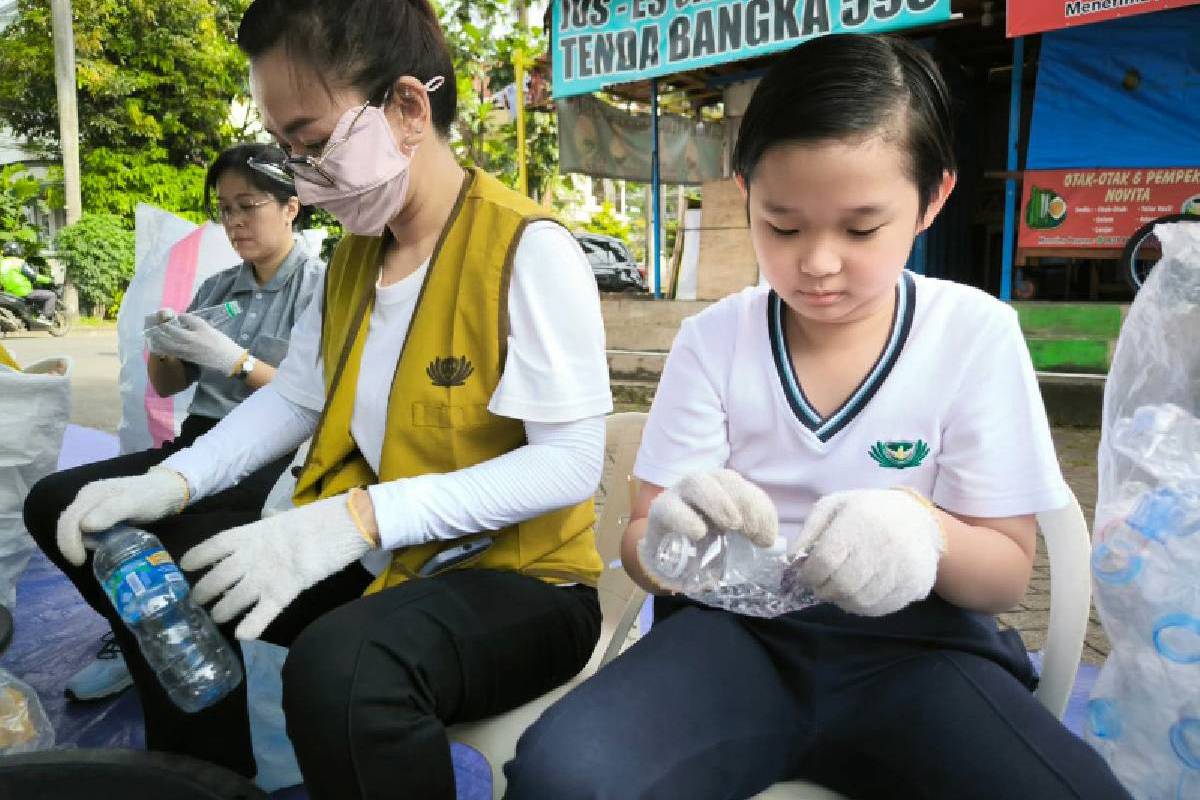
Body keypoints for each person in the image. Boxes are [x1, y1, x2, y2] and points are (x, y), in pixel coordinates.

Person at [504, 35, 1132, 800]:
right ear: (747, 194)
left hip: (920, 650)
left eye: (861, 229)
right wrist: (671, 542)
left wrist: (922, 531)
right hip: (734, 639)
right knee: (564, 775)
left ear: (933, 199)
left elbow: (1004, 576)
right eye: (783, 225)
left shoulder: (973, 334)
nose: (819, 263)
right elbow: (643, 545)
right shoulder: (713, 341)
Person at [43, 0, 611, 795]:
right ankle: (209, 781)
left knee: (342, 671)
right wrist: (172, 482)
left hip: (521, 581)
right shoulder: (353, 258)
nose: (301, 177)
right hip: (386, 555)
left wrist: (360, 518)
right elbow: (295, 402)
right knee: (137, 548)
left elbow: (570, 464)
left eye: (312, 144)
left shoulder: (527, 249)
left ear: (407, 108)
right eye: (287, 149)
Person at [24, 142, 323, 705]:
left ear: (291, 206)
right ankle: (136, 634)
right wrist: (164, 344)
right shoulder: (218, 289)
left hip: (272, 462)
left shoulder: (320, 288)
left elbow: (312, 402)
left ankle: (185, 647)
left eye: (248, 206)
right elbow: (168, 386)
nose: (234, 222)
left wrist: (234, 360)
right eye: (225, 209)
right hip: (195, 446)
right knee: (52, 502)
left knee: (159, 540)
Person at [0, 242, 56, 323]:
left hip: (8, 293)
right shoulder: (19, 263)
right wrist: (49, 280)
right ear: (16, 251)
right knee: (51, 295)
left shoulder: (1, 263)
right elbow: (33, 276)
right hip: (24, 292)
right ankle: (44, 317)